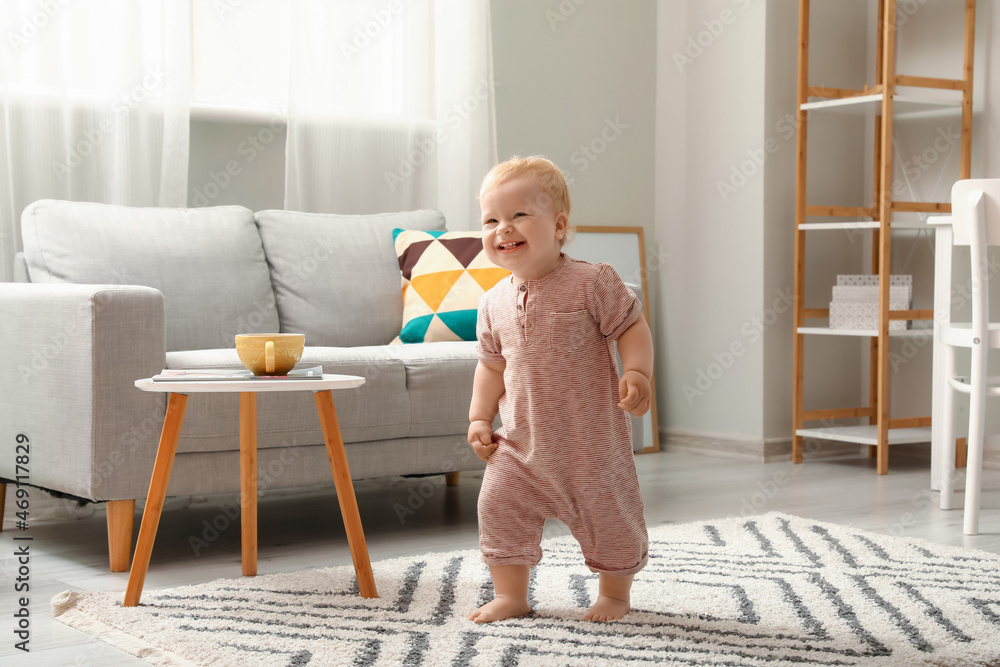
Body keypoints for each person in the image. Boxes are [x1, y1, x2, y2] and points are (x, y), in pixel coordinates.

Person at [467, 155, 653, 624]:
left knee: (609, 519)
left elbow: (632, 327)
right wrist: (478, 418)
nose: (502, 228)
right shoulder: (491, 303)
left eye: (517, 215)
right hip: (521, 444)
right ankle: (512, 594)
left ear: (559, 225)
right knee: (497, 505)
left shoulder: (593, 282)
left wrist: (637, 373)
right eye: (491, 220)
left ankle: (614, 593)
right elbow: (490, 366)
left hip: (591, 447)